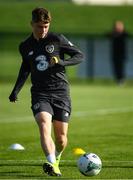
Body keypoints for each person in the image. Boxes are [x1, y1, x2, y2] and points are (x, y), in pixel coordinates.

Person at [9, 7, 84, 176]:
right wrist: (16, 90)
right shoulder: (25, 46)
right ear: (31, 24)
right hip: (40, 93)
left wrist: (62, 63)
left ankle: (56, 157)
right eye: (39, 26)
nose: (43, 30)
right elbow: (25, 68)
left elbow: (79, 56)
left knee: (61, 139)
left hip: (60, 92)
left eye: (46, 26)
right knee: (43, 123)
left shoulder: (57, 39)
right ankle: (51, 163)